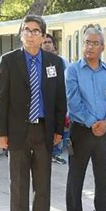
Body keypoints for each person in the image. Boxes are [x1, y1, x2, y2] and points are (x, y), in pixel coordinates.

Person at [0, 14, 66, 211]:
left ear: (44, 36)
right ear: (21, 33)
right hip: (17, 132)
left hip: (44, 130)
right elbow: (1, 99)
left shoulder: (54, 63)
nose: (31, 34)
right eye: (27, 30)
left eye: (37, 31)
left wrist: (58, 130)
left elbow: (59, 99)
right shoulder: (9, 61)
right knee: (19, 185)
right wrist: (1, 132)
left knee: (43, 185)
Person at [65, 25, 106, 211]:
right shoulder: (72, 70)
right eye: (87, 42)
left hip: (104, 132)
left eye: (95, 43)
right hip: (80, 131)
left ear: (102, 47)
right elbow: (73, 101)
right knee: (75, 176)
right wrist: (92, 123)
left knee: (102, 176)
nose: (90, 47)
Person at [41, 33, 68, 165]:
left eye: (49, 42)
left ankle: (56, 153)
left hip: (56, 103)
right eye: (44, 42)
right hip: (41, 106)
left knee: (58, 129)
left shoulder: (60, 62)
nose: (47, 44)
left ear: (53, 45)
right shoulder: (37, 61)